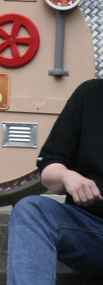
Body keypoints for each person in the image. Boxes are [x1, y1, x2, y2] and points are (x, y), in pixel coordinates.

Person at [7, 77, 103, 283]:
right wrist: (67, 176)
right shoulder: (90, 94)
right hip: (91, 231)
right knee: (30, 210)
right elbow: (49, 166)